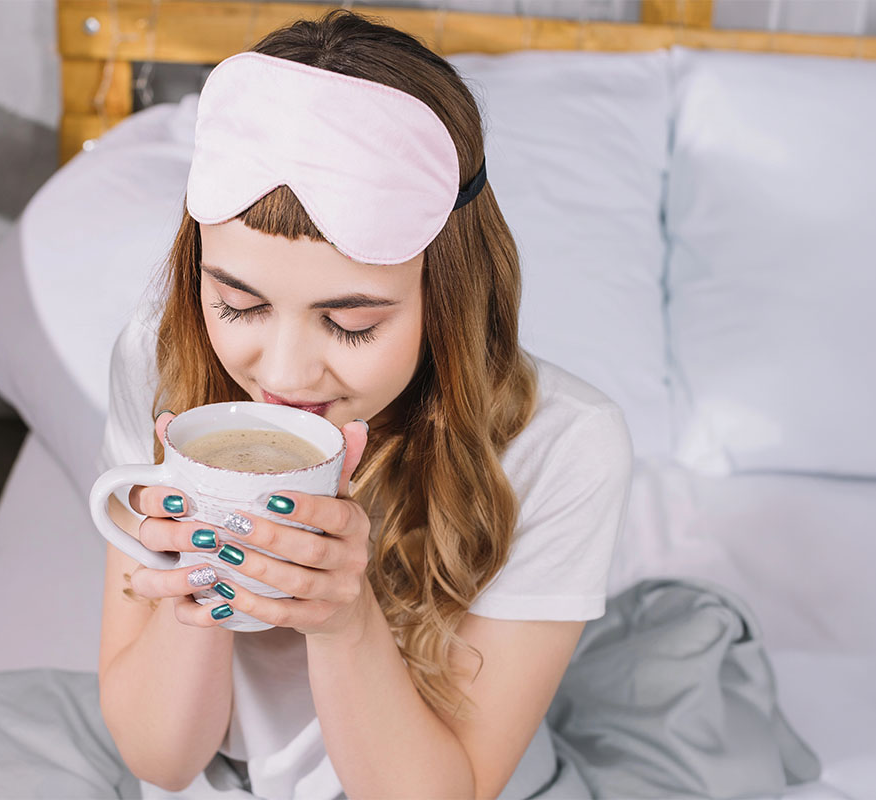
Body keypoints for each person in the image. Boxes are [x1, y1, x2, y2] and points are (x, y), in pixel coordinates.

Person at [95, 9, 633, 800]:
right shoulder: (161, 362)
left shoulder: (564, 444)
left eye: (350, 324)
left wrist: (343, 620)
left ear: (446, 297)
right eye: (238, 304)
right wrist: (201, 570)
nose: (283, 375)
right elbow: (163, 761)